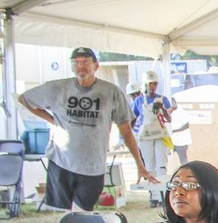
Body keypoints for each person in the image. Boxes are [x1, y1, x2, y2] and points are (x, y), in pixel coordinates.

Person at [18, 46, 156, 210]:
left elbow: (126, 131)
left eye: (85, 62)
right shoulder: (57, 88)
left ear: (96, 66)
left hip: (93, 166)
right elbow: (24, 99)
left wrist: (140, 165)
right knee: (65, 215)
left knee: (83, 213)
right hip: (61, 162)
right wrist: (51, 119)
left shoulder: (111, 92)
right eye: (76, 63)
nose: (80, 66)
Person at [131, 70, 176, 207]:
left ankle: (163, 194)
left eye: (155, 83)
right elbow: (132, 119)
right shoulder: (139, 101)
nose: (153, 86)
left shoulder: (163, 99)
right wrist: (133, 134)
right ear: (146, 84)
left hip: (160, 135)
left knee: (161, 165)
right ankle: (153, 195)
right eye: (150, 84)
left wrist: (162, 108)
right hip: (145, 137)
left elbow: (169, 119)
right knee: (149, 166)